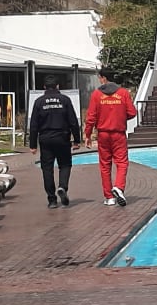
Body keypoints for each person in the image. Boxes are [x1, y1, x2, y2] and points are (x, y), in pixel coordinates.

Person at [84, 66, 137, 206]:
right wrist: (120, 116)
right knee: (122, 162)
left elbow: (91, 117)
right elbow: (132, 112)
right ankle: (119, 187)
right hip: (119, 134)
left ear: (104, 78)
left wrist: (87, 135)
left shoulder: (96, 95)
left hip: (103, 134)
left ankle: (109, 197)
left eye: (100, 78)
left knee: (105, 165)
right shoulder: (123, 93)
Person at [29, 75, 81, 209]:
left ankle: (52, 200)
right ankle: (62, 187)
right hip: (62, 137)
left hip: (45, 139)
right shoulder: (65, 100)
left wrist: (33, 145)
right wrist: (76, 140)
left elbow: (33, 125)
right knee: (65, 164)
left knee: (47, 168)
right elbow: (73, 121)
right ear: (58, 86)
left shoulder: (39, 102)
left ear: (44, 87)